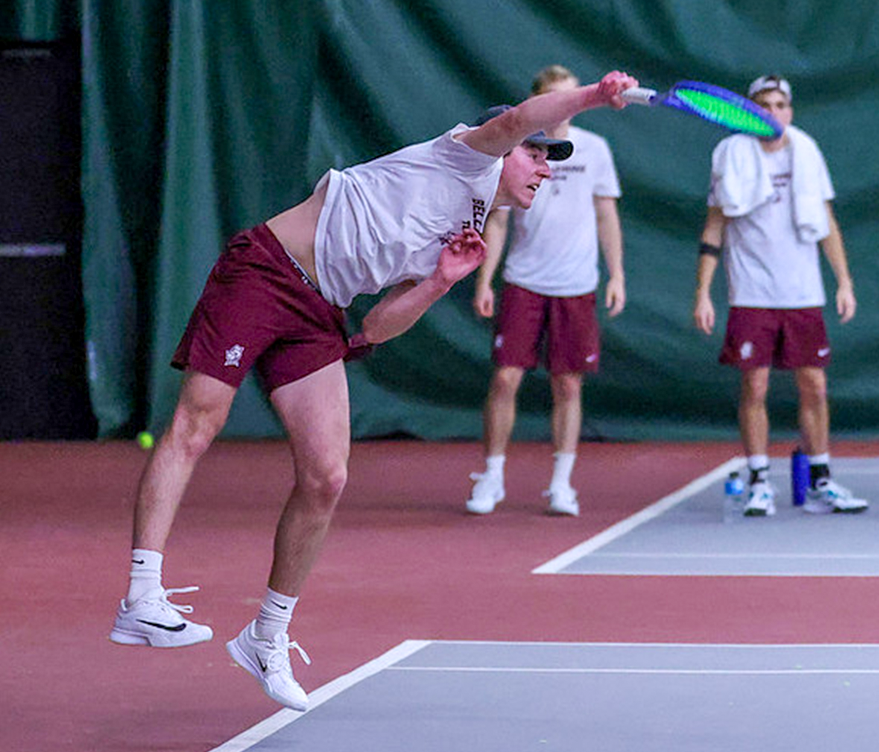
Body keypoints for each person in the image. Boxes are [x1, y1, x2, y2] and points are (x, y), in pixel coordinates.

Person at [111, 70, 640, 710]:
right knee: (197, 424)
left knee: (327, 477)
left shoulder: (470, 228)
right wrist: (595, 96)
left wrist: (441, 280)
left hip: (320, 310)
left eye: (550, 159)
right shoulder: (466, 156)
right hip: (266, 269)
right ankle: (142, 595)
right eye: (536, 154)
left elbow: (376, 327)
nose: (545, 169)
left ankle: (266, 635)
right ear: (505, 149)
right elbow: (516, 120)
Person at [693, 75, 867, 516]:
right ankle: (758, 482)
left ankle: (821, 480)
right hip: (751, 291)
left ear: (790, 110)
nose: (773, 112)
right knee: (755, 384)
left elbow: (826, 221)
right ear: (748, 111)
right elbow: (715, 225)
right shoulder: (729, 154)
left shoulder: (807, 150)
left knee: (815, 386)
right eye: (763, 104)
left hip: (803, 293)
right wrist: (703, 292)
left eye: (780, 104)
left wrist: (844, 281)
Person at [467, 65, 627, 518]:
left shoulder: (596, 149)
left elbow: (606, 216)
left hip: (576, 285)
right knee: (505, 379)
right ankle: (491, 477)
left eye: (572, 95)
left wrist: (617, 274)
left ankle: (561, 484)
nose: (565, 104)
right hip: (523, 280)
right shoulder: (517, 148)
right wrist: (484, 278)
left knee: (568, 384)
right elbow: (498, 220)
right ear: (537, 101)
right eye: (555, 96)